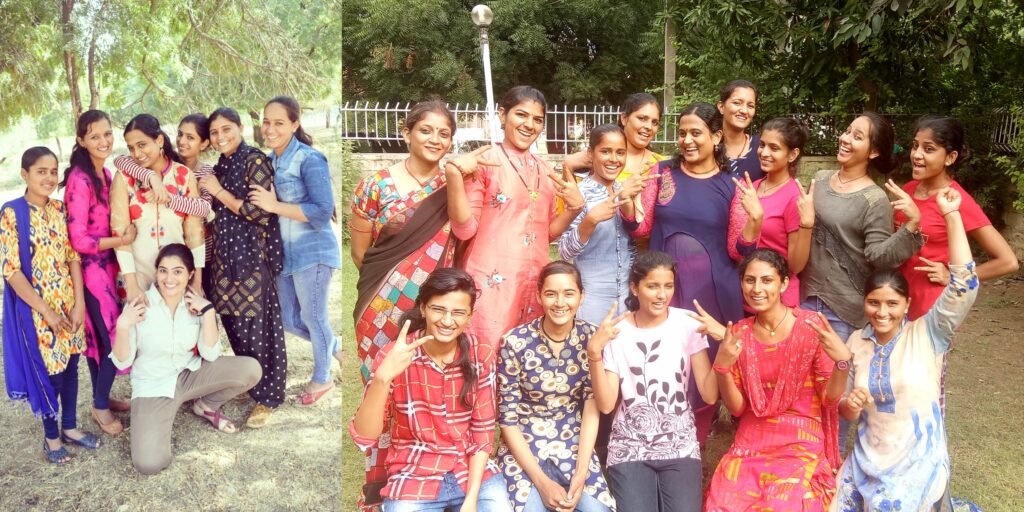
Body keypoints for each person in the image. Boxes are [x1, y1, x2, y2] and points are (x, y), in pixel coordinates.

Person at [830, 187, 978, 511]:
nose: (882, 312)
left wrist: (952, 216)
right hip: (866, 460)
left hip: (917, 463)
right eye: (874, 303)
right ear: (864, 302)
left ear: (907, 304)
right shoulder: (856, 342)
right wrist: (851, 404)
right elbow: (843, 408)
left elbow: (965, 285)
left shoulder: (928, 333)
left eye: (892, 304)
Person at [349, 100, 461, 510]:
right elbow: (362, 253)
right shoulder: (375, 185)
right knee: (383, 388)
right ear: (407, 132)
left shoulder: (453, 184)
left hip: (435, 312)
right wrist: (397, 288)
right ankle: (379, 487)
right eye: (426, 130)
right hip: (379, 310)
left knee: (425, 393)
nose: (435, 139)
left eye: (444, 133)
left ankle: (424, 476)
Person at [619, 102, 742, 443]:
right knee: (661, 360)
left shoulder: (731, 185)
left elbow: (737, 248)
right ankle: (656, 437)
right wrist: (629, 202)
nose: (687, 140)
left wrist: (756, 221)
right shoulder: (662, 174)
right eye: (682, 132)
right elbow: (640, 228)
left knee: (706, 364)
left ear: (716, 136)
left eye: (696, 133)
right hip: (666, 291)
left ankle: (697, 443)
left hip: (714, 293)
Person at [692, 248, 849, 510]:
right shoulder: (740, 332)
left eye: (767, 280)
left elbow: (830, 398)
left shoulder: (810, 327)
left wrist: (842, 364)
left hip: (801, 440)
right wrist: (722, 367)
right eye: (749, 280)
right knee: (722, 503)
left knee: (783, 504)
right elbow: (738, 408)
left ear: (784, 283)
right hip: (752, 439)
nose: (757, 288)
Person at [349, 268, 513, 512]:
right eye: (438, 309)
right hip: (413, 471)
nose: (447, 321)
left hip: (470, 470)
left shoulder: (481, 354)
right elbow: (365, 436)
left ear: (470, 316)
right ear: (423, 308)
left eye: (458, 312)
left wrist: (471, 500)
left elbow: (482, 434)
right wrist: (383, 378)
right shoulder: (396, 355)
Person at [445, 85, 585, 352]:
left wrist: (574, 209)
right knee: (486, 353)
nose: (529, 125)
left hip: (532, 282)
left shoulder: (545, 170)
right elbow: (464, 229)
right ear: (502, 115)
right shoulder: (485, 162)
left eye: (537, 119)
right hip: (491, 281)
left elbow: (547, 233)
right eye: (521, 115)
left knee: (526, 358)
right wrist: (454, 176)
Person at [110, 244, 261, 474]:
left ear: (190, 274)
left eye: (178, 271)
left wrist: (208, 312)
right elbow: (122, 362)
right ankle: (158, 416)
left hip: (190, 374)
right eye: (163, 270)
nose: (169, 279)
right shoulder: (141, 305)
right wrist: (123, 325)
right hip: (154, 385)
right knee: (149, 464)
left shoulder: (195, 303)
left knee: (251, 369)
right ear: (156, 271)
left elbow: (210, 354)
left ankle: (205, 406)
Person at [586, 251, 718, 512]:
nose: (662, 295)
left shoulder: (687, 324)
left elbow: (710, 394)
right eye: (652, 286)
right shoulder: (618, 332)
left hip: (680, 443)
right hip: (630, 446)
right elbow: (605, 404)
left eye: (668, 286)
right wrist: (594, 356)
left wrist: (724, 351)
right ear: (635, 288)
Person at [2, 147, 100, 464]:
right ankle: (52, 437)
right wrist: (47, 311)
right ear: (25, 174)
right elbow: (11, 270)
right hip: (37, 310)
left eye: (53, 171)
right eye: (41, 171)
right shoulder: (11, 213)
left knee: (71, 367)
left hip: (68, 304)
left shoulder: (59, 209)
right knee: (50, 375)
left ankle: (70, 427)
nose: (49, 177)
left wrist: (79, 305)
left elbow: (73, 258)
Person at [498, 262, 615, 512]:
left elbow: (591, 409)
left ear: (582, 296)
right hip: (524, 443)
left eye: (569, 293)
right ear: (540, 296)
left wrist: (581, 474)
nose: (560, 302)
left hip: (573, 440)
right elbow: (507, 419)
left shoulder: (591, 339)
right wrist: (542, 483)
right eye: (551, 294)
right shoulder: (515, 342)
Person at [248, 96, 342, 406]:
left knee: (314, 318)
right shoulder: (270, 160)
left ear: (294, 124)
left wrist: (275, 206)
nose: (270, 129)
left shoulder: (309, 158)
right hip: (285, 257)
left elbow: (321, 210)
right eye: (266, 121)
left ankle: (323, 378)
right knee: (289, 319)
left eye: (278, 122)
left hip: (313, 252)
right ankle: (334, 345)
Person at [200, 107, 286, 428]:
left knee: (259, 328)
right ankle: (252, 382)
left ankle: (269, 397)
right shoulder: (221, 165)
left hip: (251, 258)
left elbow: (259, 212)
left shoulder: (254, 160)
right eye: (214, 133)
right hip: (225, 257)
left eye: (226, 129)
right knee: (234, 324)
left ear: (239, 128)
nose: (220, 137)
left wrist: (218, 191)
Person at [60, 109, 134, 436]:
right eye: (94, 136)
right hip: (91, 274)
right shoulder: (79, 179)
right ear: (81, 141)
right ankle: (100, 406)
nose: (103, 141)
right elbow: (79, 239)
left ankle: (101, 397)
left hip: (108, 268)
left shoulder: (104, 172)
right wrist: (121, 239)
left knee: (98, 341)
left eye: (107, 134)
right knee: (109, 340)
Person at [113, 113, 215, 293]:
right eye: (131, 148)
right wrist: (132, 286)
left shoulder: (184, 176)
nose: (137, 153)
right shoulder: (124, 177)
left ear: (159, 140)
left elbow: (194, 231)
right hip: (138, 278)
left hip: (177, 280)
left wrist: (197, 281)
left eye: (142, 145)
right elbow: (119, 230)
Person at [727, 117, 815, 309]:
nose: (764, 153)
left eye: (774, 148)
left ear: (792, 155)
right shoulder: (753, 187)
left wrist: (807, 225)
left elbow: (795, 266)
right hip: (748, 294)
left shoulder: (794, 197)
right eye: (762, 145)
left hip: (777, 301)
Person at [558, 124, 635, 325]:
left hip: (629, 298)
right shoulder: (579, 193)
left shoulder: (625, 191)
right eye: (605, 151)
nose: (614, 159)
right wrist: (590, 220)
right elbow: (564, 252)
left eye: (620, 152)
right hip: (592, 299)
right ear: (591, 153)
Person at [561, 93, 666, 183]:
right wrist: (568, 167)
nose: (649, 127)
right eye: (642, 119)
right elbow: (570, 201)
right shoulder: (595, 159)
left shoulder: (662, 165)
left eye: (655, 122)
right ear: (624, 118)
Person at [717, 80, 763, 181]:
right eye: (737, 103)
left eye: (750, 106)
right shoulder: (708, 146)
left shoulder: (762, 146)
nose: (744, 111)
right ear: (721, 107)